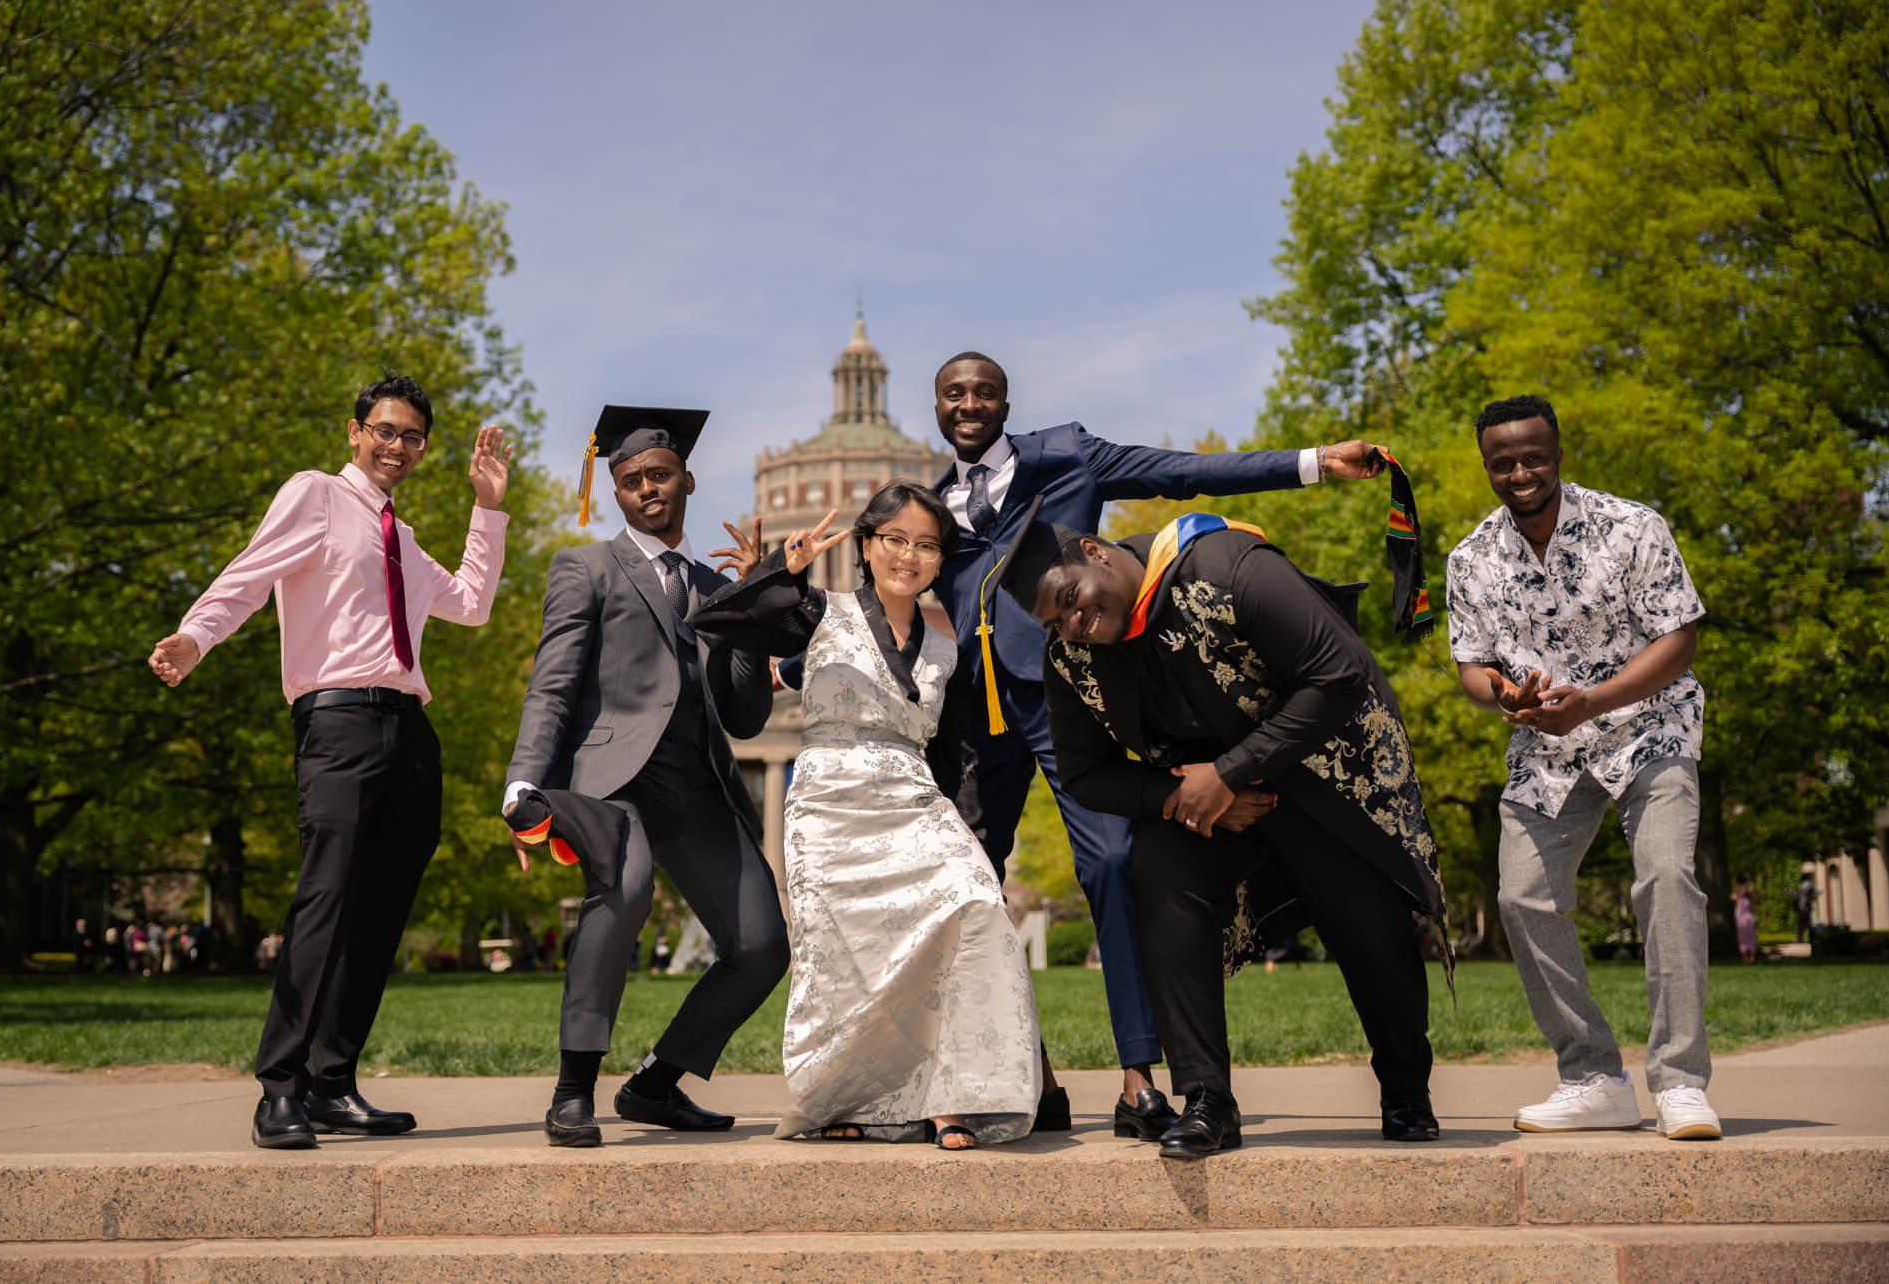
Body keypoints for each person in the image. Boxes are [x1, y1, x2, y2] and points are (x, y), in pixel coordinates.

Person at [908, 350, 1388, 1137]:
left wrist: (1310, 464)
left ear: (1004, 401)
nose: (970, 403)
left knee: (1113, 860)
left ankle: (1138, 1079)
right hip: (975, 713)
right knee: (968, 887)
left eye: (985, 391)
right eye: (955, 393)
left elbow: (1182, 471)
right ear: (939, 405)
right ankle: (1028, 1075)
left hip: (1067, 692)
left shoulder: (1066, 455)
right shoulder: (933, 500)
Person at [999, 499, 1447, 1158]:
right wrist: (1181, 792)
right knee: (1156, 862)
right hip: (1210, 805)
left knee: (1368, 926)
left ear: (1094, 552)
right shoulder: (1070, 657)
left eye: (1070, 597)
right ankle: (1208, 1099)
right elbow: (1087, 773)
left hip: (1319, 774)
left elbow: (1339, 673)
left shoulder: (1228, 565)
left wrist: (1229, 772)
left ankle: (1406, 1088)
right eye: (1055, 619)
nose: (1073, 622)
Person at [149, 373, 513, 1150]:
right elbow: (249, 573)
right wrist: (196, 635)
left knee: (379, 918)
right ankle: (279, 1086)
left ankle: (332, 1082)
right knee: (324, 901)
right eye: (384, 429)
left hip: (411, 732)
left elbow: (473, 604)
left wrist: (487, 507)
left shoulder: (404, 540)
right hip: (338, 722)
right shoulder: (314, 494)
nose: (397, 446)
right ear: (355, 432)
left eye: (412, 436)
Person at [695, 484, 1042, 1149]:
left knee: (976, 902)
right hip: (829, 801)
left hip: (913, 797)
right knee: (842, 958)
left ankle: (955, 1094)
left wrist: (967, 828)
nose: (909, 555)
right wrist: (778, 573)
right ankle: (840, 1096)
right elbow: (723, 621)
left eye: (926, 544)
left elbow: (955, 750)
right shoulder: (820, 612)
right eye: (896, 539)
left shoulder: (946, 648)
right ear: (866, 545)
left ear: (942, 558)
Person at [503, 405, 788, 1149]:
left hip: (696, 786)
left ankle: (657, 1082)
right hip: (613, 781)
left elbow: (745, 714)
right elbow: (553, 685)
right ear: (617, 492)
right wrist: (523, 781)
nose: (646, 490)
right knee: (623, 889)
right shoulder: (587, 568)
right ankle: (573, 1088)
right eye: (629, 482)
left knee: (762, 945)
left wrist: (752, 609)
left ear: (686, 480)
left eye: (658, 475)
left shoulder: (715, 587)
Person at [1445, 393, 1720, 1141]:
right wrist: (1505, 692)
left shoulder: (1633, 527)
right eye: (1502, 462)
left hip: (1649, 729)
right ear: (1487, 469)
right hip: (1548, 749)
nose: (1520, 472)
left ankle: (1681, 1083)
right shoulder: (1471, 558)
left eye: (1533, 455)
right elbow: (1471, 663)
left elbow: (1680, 639)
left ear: (1559, 453)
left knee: (1666, 876)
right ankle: (1594, 1075)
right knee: (1521, 898)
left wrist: (1592, 700)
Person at [1733, 874, 1759, 965]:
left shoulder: (1750, 893)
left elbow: (1756, 898)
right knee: (1742, 937)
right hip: (1740, 917)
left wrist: (1750, 888)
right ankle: (1745, 957)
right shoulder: (1738, 892)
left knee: (1751, 936)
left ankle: (1752, 957)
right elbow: (1733, 896)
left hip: (1749, 916)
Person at [1794, 872, 1818, 944]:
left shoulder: (1800, 885)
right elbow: (1814, 896)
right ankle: (1812, 939)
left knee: (1801, 924)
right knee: (1809, 924)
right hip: (1807, 906)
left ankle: (1800, 939)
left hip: (1801, 907)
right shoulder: (1811, 885)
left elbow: (1798, 897)